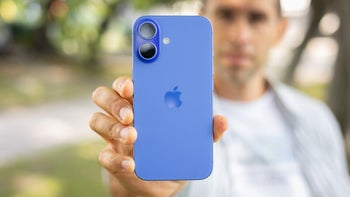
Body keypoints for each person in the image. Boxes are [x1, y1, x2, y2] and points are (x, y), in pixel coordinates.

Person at [89, 0, 350, 196]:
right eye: (226, 15)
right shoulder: (156, 116)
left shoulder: (316, 117)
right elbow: (126, 184)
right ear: (203, 19)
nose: (240, 36)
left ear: (280, 30)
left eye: (256, 18)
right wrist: (131, 189)